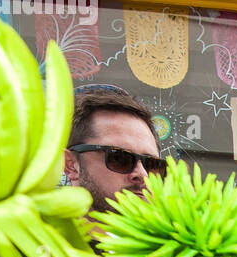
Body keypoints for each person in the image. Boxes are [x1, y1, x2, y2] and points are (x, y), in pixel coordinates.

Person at [64, 86, 163, 223]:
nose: (143, 174)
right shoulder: (36, 242)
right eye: (119, 158)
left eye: (152, 164)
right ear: (71, 166)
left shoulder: (187, 242)